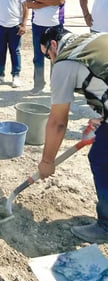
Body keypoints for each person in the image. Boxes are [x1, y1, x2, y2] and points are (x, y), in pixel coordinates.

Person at [38, 27, 108, 243]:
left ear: (53, 45)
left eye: (47, 55)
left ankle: (106, 226)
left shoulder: (65, 62)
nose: (50, 60)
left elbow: (58, 122)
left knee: (101, 159)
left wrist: (47, 161)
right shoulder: (94, 38)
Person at [26, 0, 69, 95]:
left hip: (55, 25)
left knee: (55, 56)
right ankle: (38, 84)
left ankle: (55, 85)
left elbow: (61, 0)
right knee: (38, 56)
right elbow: (29, 4)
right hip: (38, 25)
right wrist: (52, 0)